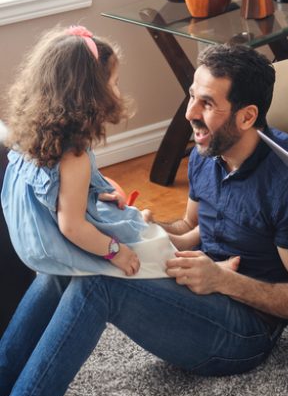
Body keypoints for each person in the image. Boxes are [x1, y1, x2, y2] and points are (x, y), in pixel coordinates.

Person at [0, 43, 288, 396]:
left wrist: (222, 281)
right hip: (200, 286)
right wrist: (139, 224)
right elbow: (193, 229)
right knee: (67, 266)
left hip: (246, 333)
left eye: (207, 103)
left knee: (98, 284)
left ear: (247, 116)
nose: (190, 112)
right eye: (192, 95)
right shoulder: (206, 152)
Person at [2, 25, 175, 280]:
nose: (118, 91)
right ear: (89, 94)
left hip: (30, 241)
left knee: (123, 214)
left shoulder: (28, 138)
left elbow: (49, 192)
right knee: (147, 246)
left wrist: (86, 192)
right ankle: (175, 254)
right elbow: (72, 227)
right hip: (57, 246)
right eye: (114, 83)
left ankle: (170, 237)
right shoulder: (74, 158)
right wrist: (115, 252)